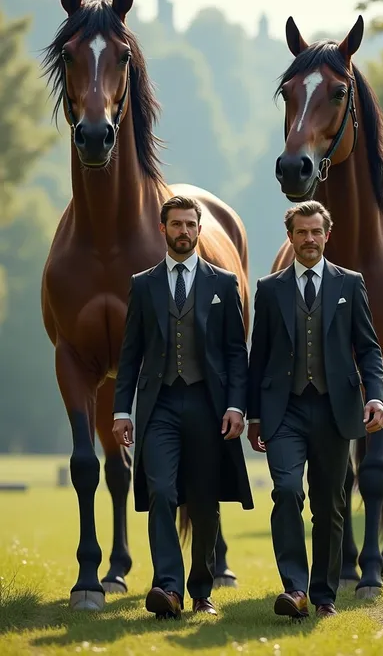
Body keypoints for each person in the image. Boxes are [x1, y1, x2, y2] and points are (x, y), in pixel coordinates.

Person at [112, 195, 253, 619]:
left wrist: (236, 407)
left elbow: (235, 354)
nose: (184, 232)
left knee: (205, 502)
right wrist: (122, 411)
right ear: (164, 229)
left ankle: (201, 591)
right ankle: (167, 588)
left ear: (199, 228)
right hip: (160, 406)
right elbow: (130, 352)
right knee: (161, 491)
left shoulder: (224, 284)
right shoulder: (143, 284)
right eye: (176, 225)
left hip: (210, 407)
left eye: (191, 224)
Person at [247, 200, 383, 619]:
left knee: (330, 503)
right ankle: (295, 589)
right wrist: (255, 414)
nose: (309, 239)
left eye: (316, 232)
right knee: (286, 491)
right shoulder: (269, 289)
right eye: (301, 232)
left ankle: (323, 596)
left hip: (334, 410)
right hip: (283, 411)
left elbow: (368, 348)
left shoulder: (351, 284)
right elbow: (259, 357)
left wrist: (376, 395)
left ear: (327, 235)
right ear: (290, 238)